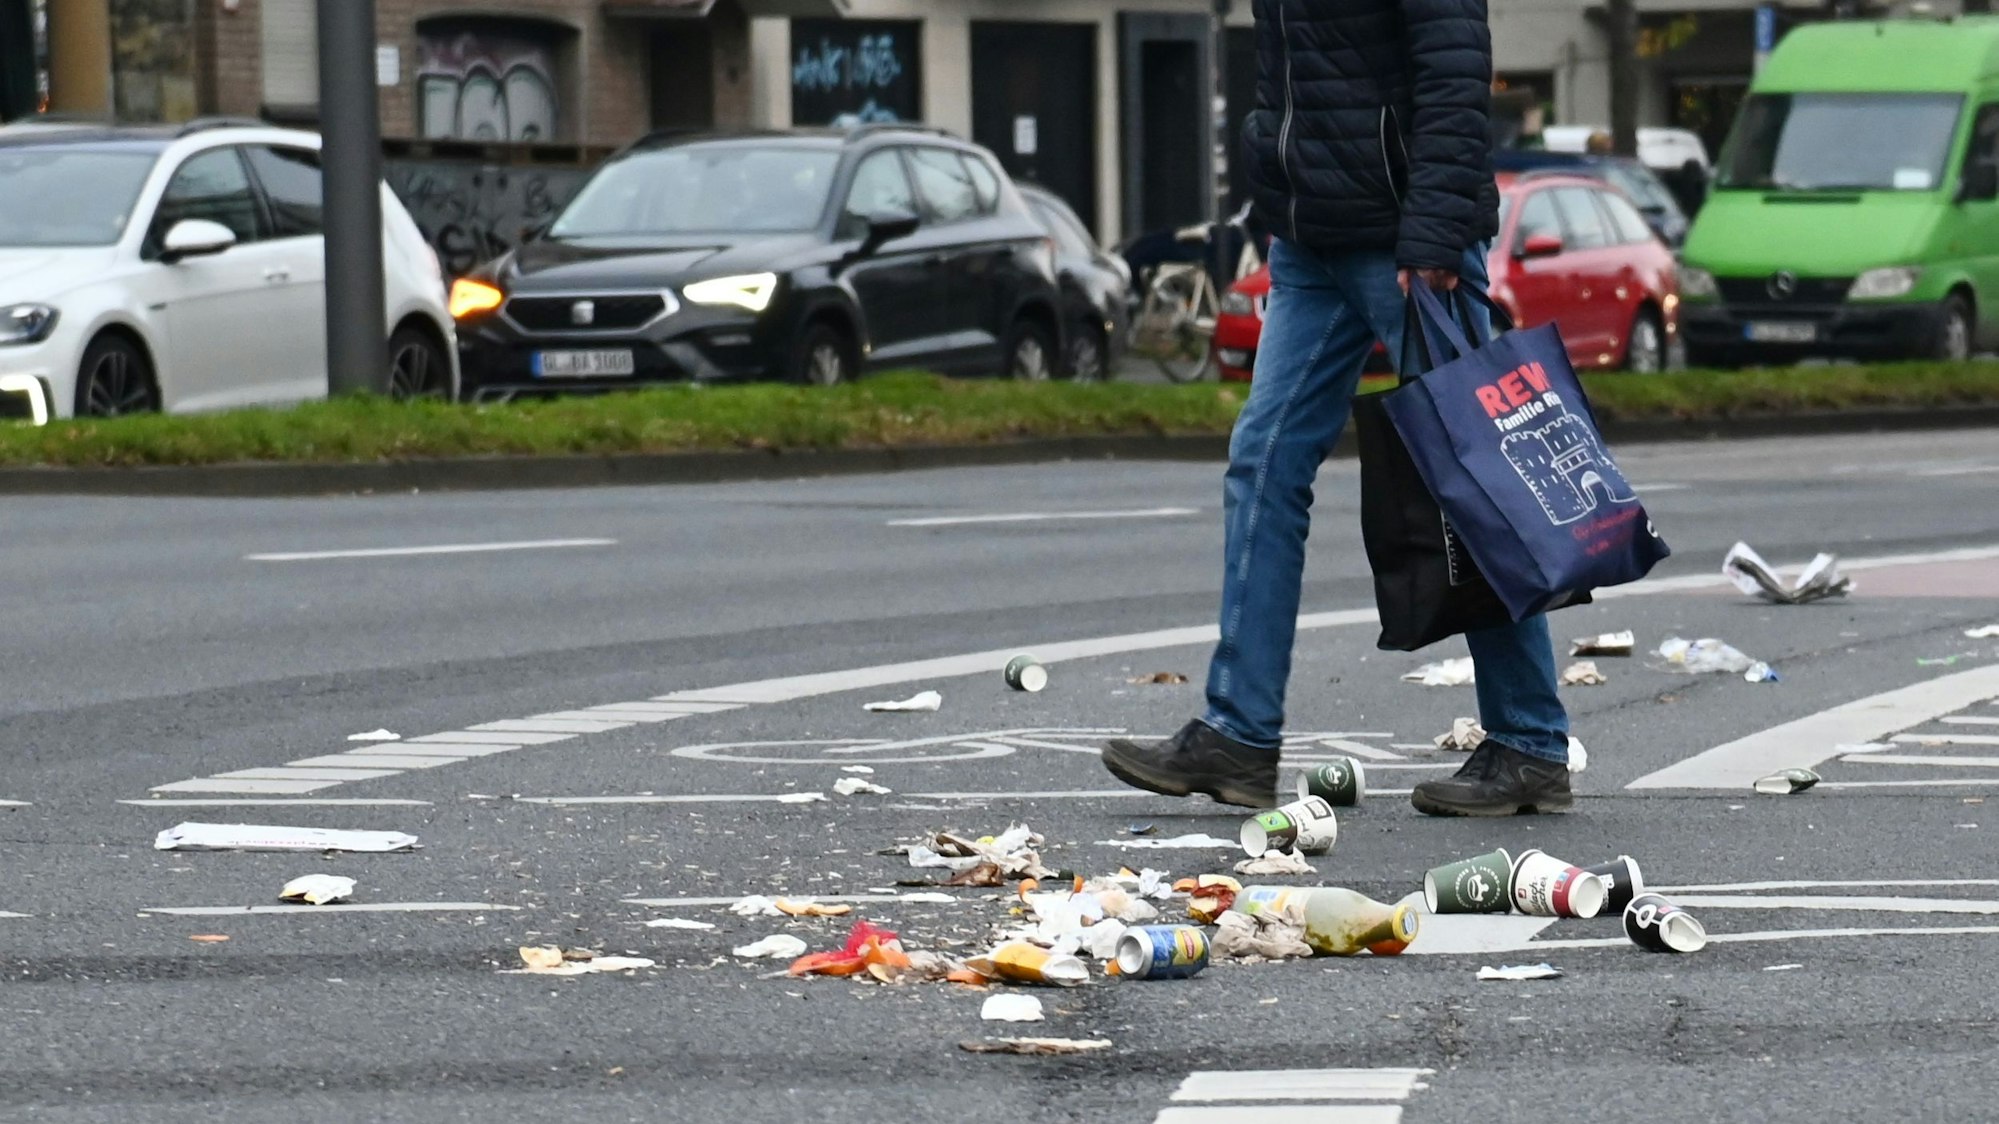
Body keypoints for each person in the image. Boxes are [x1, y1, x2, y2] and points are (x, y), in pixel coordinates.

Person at [1100, 0, 1573, 818]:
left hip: (1403, 240)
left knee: (1473, 479)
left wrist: (1430, 235)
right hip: (1308, 239)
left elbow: (1454, 76)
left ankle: (1529, 741)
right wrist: (1273, 196)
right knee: (1263, 464)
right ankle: (1238, 736)